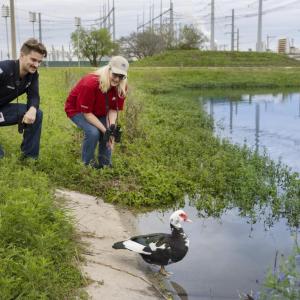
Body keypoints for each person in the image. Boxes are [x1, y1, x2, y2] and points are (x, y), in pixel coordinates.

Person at [65, 56, 129, 168]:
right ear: (109, 69)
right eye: (115, 75)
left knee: (108, 132)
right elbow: (87, 114)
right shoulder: (90, 83)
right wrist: (105, 131)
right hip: (78, 109)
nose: (117, 79)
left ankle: (105, 164)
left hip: (99, 110)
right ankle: (88, 164)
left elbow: (113, 109)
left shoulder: (121, 86)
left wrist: (111, 128)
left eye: (121, 76)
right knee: (93, 132)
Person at [0, 38, 47, 159]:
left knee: (37, 114)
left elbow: (34, 96)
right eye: (33, 60)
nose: (36, 65)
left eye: (39, 61)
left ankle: (29, 157)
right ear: (22, 55)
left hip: (2, 110)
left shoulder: (32, 75)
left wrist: (32, 109)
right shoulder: (4, 69)